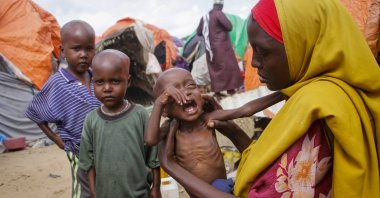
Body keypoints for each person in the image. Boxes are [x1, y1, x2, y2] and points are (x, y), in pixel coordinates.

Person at [159, 0, 380, 197]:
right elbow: (279, 166)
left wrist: (171, 165)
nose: (253, 63)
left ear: (300, 45)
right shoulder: (327, 92)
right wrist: (235, 132)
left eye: (263, 51)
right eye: (252, 50)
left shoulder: (316, 106)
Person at [144, 67, 257, 196]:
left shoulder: (207, 119)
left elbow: (245, 110)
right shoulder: (171, 129)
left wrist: (280, 94)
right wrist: (159, 103)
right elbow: (150, 139)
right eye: (173, 94)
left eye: (191, 85)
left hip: (222, 187)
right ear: (165, 110)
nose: (185, 92)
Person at [25, 20, 100, 198]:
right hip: (77, 149)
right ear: (63, 51)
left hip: (104, 146)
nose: (83, 55)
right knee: (84, 190)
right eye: (76, 49)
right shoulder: (58, 82)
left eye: (89, 49)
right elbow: (34, 111)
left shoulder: (97, 77)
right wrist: (55, 138)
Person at [78, 49, 161, 198]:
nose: (107, 88)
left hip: (140, 193)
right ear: (93, 83)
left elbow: (153, 156)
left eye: (115, 81)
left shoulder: (140, 114)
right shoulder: (91, 120)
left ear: (128, 82)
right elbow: (87, 161)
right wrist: (93, 191)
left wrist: (156, 187)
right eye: (100, 82)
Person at [196, 0, 243, 98]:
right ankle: (231, 90)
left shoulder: (205, 17)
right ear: (220, 5)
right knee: (228, 67)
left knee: (215, 69)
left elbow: (199, 32)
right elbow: (229, 26)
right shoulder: (218, 13)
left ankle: (217, 91)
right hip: (222, 47)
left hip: (210, 49)